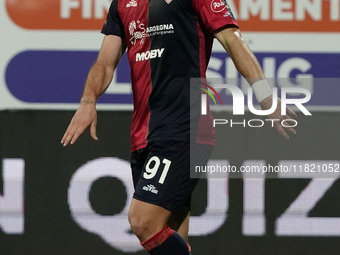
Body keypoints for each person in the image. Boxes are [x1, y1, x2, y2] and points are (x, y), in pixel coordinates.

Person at [61, 0, 297, 254]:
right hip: (143, 136)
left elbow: (232, 40)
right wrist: (88, 100)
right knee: (171, 230)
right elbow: (105, 62)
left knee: (142, 221)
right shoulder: (122, 4)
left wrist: (266, 97)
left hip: (184, 127)